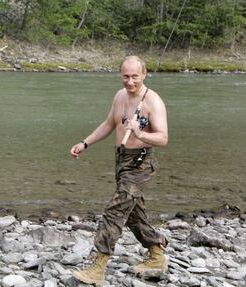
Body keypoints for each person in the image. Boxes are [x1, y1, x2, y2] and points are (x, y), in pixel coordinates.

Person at [70, 55, 169, 286]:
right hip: (121, 160)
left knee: (115, 211)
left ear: (144, 74)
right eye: (126, 76)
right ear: (120, 75)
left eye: (135, 76)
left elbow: (163, 138)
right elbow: (108, 124)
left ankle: (98, 266)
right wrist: (84, 143)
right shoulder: (120, 96)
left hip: (141, 162)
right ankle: (156, 254)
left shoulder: (153, 101)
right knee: (134, 213)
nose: (130, 81)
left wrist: (139, 132)